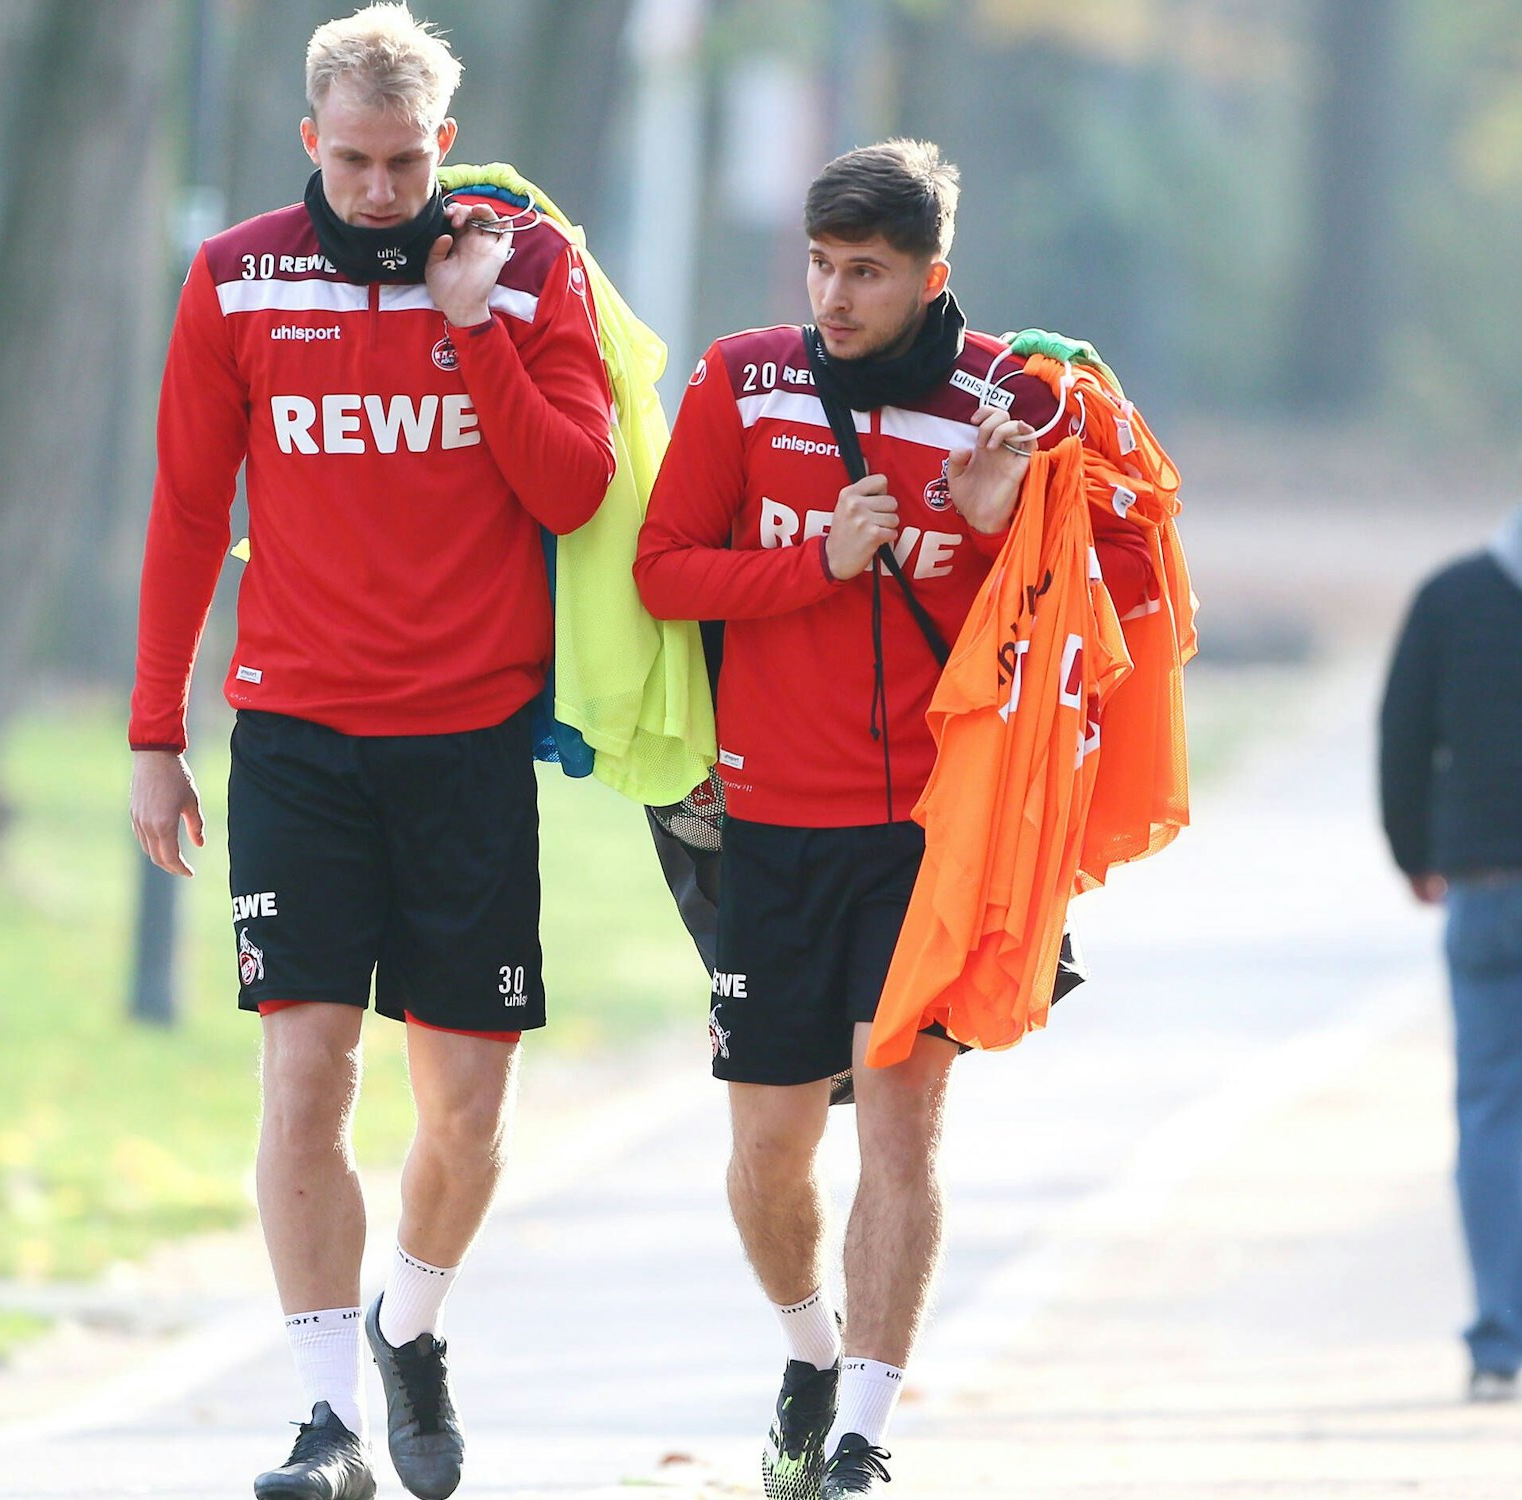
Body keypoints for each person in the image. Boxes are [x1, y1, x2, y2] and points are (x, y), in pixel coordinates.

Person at [126, 6, 614, 1496]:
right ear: (308, 144)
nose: (382, 189)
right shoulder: (234, 279)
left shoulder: (530, 275)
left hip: (466, 740)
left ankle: (411, 1328)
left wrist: (471, 326)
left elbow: (575, 488)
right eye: (353, 160)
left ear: (444, 146)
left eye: (406, 161)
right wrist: (157, 734)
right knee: (305, 1078)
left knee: (465, 1113)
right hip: (295, 737)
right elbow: (187, 516)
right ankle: (327, 1413)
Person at [634, 140, 1154, 1497]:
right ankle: (809, 1356)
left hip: (930, 837)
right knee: (766, 1146)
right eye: (818, 265)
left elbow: (1065, 626)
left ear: (932, 276)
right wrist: (817, 562)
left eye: (864, 272)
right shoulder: (741, 381)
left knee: (901, 1133)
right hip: (764, 822)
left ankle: (861, 1435)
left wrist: (987, 526)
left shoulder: (1003, 409)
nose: (833, 296)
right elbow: (662, 573)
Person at [1380, 504, 1522, 1405]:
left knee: (1490, 1113)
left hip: (1484, 889)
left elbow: (1402, 736)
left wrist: (1412, 855)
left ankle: (1499, 1337)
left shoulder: (1449, 596)